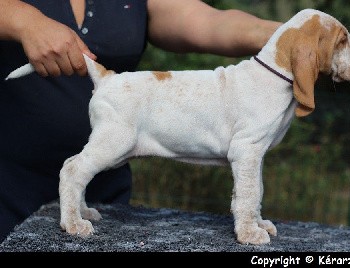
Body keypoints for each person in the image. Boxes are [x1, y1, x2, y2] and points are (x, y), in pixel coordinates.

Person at [0, 0, 282, 242]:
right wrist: (24, 20)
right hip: (8, 188)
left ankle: (75, 199)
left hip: (109, 197)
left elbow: (207, 21)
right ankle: (74, 186)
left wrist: (288, 36)